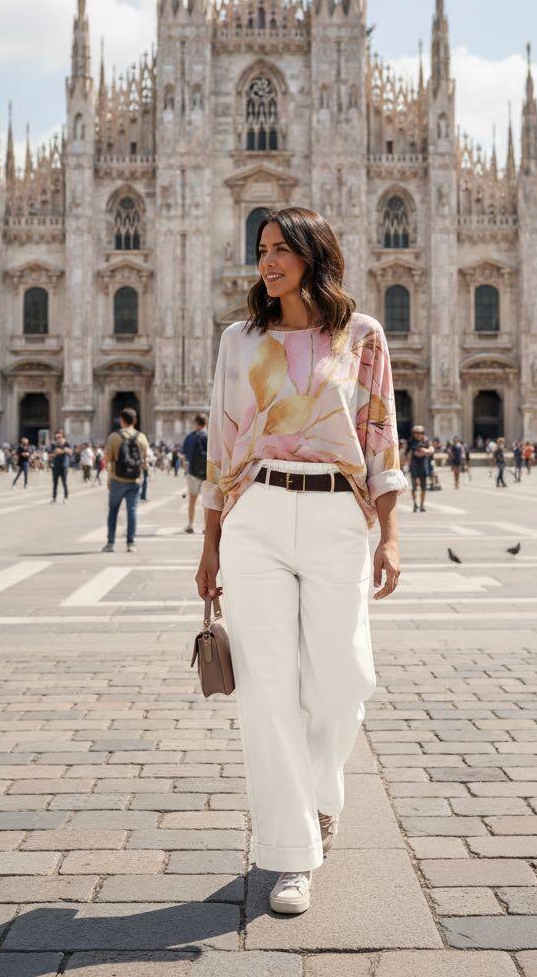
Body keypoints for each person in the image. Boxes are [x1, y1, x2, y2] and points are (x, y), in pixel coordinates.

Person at [194, 206, 406, 916]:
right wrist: (211, 542)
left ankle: (322, 798)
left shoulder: (363, 337)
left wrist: (390, 534)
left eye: (283, 249)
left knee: (345, 676)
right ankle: (291, 854)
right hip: (255, 512)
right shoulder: (239, 340)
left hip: (334, 516)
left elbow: (380, 439)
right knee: (266, 689)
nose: (268, 261)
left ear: (317, 254)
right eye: (262, 249)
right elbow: (222, 448)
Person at [102, 408, 149, 552]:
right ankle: (131, 543)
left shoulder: (114, 437)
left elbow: (107, 459)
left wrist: (110, 476)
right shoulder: (142, 437)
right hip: (134, 481)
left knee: (113, 511)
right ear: (135, 421)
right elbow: (145, 461)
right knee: (132, 511)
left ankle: (110, 543)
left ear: (121, 420)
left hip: (117, 480)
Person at [181, 416, 207, 531]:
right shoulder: (210, 436)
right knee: (207, 502)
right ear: (205, 424)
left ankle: (191, 524)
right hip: (208, 474)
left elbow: (183, 455)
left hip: (193, 473)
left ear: (196, 423)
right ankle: (206, 527)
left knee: (192, 500)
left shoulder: (190, 437)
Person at [407, 425, 429, 511]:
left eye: (421, 433)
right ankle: (415, 503)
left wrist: (426, 451)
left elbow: (431, 449)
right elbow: (407, 454)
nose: (419, 434)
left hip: (423, 467)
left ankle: (422, 505)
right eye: (417, 433)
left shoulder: (426, 442)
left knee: (423, 488)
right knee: (414, 487)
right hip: (414, 467)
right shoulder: (411, 442)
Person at [48, 431, 71, 503]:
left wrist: (65, 450)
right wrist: (55, 453)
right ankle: (54, 498)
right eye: (56, 438)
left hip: (64, 465)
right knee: (55, 483)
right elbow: (50, 455)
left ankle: (66, 497)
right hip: (55, 466)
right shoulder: (53, 445)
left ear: (63, 437)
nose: (58, 439)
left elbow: (70, 452)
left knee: (64, 482)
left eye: (59, 437)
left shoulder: (66, 444)